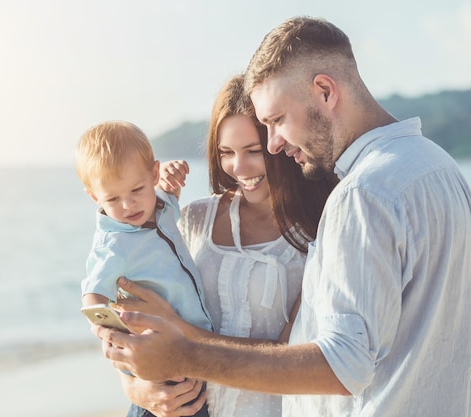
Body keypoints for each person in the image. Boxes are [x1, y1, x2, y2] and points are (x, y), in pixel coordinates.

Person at [97, 16, 471, 417]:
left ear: (325, 91)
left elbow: (342, 365)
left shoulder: (363, 194)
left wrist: (186, 353)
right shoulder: (441, 168)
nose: (274, 143)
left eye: (275, 121)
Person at [112, 74, 336, 417]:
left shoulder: (318, 231)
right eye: (226, 152)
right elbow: (132, 320)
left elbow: (294, 354)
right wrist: (137, 389)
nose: (239, 167)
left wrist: (182, 337)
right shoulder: (195, 219)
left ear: (279, 144)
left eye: (253, 151)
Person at [74, 120, 213, 417]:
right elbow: (92, 294)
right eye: (112, 198)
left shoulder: (159, 207)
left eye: (136, 189)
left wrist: (171, 181)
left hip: (192, 351)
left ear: (152, 174)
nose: (128, 205)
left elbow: (167, 197)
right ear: (94, 197)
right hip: (161, 362)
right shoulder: (114, 246)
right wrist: (108, 329)